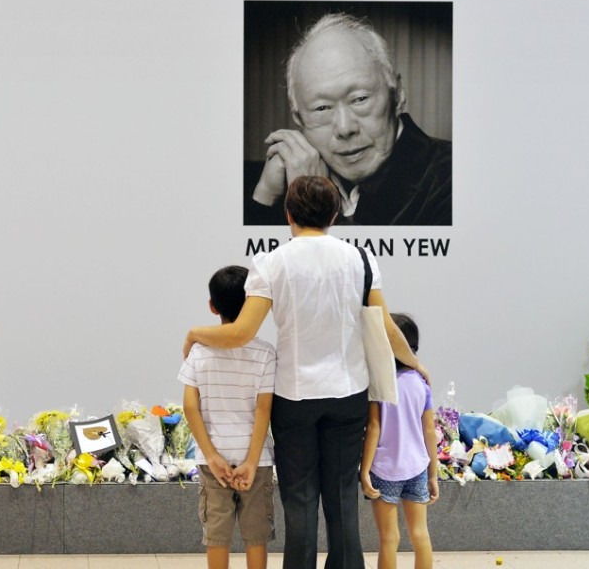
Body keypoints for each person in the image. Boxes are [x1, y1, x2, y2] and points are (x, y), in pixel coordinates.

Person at [185, 175, 429, 569]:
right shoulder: (362, 259)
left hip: (294, 397)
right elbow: (386, 326)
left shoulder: (270, 262)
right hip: (348, 395)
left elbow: (241, 333)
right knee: (342, 501)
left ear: (288, 214)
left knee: (299, 502)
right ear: (335, 214)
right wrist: (415, 363)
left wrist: (195, 333)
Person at [245, 13, 452, 226]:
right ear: (299, 118)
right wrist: (265, 196)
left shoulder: (453, 178)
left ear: (397, 95)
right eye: (322, 108)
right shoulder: (269, 181)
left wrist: (312, 203)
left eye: (360, 99)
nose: (345, 129)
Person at [178, 265, 276, 569]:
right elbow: (264, 409)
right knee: (256, 536)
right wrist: (251, 461)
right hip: (255, 461)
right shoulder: (266, 353)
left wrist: (211, 455)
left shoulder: (198, 351)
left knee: (217, 537)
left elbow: (190, 407)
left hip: (213, 461)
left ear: (212, 306)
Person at [361, 313, 438, 569]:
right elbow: (429, 430)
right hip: (417, 467)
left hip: (384, 468)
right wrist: (433, 474)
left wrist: (364, 471)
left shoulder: (379, 383)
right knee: (420, 534)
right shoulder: (421, 382)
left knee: (388, 538)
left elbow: (374, 428)